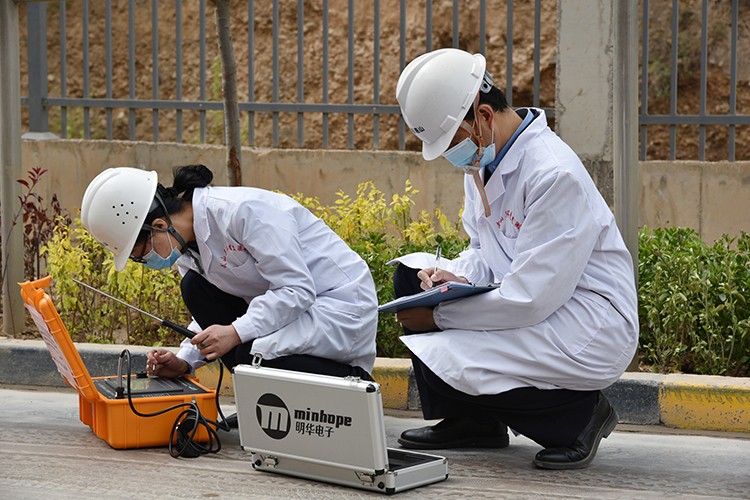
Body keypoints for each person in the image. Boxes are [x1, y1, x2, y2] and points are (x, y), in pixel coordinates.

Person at [392, 48, 639, 470]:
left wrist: (441, 317)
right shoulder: (481, 163)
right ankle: (475, 422)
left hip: (584, 321)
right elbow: (483, 250)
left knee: (458, 350)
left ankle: (580, 418)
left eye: (451, 143)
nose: (452, 155)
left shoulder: (553, 174)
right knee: (410, 281)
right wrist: (451, 276)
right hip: (530, 297)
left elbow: (531, 298)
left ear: (484, 116)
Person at [81, 165, 379, 425]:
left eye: (141, 255)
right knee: (195, 289)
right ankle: (264, 401)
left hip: (336, 306)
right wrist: (185, 360)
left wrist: (235, 332)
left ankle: (351, 382)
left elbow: (296, 289)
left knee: (251, 353)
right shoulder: (185, 246)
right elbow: (211, 314)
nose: (146, 262)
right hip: (292, 307)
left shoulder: (244, 212)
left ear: (158, 226)